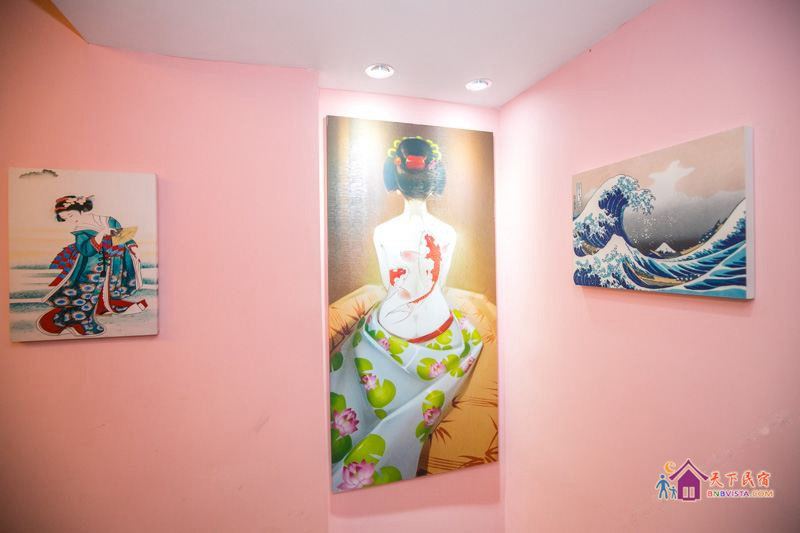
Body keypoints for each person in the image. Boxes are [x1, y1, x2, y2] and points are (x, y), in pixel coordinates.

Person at [329, 137, 484, 492]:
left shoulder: (382, 232)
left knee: (350, 356)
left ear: (396, 181)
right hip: (441, 332)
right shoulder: (448, 233)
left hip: (389, 328)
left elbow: (389, 285)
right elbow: (440, 284)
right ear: (434, 180)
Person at [36, 195, 147, 337]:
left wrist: (133, 247)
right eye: (66, 219)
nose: (71, 220)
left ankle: (104, 307)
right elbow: (86, 250)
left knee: (111, 287)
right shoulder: (80, 230)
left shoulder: (107, 220)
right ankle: (78, 321)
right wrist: (101, 235)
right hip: (93, 266)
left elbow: (123, 236)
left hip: (114, 261)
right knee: (89, 293)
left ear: (80, 209)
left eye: (71, 215)